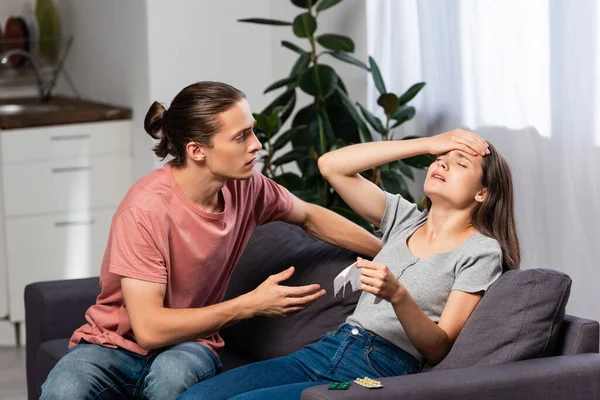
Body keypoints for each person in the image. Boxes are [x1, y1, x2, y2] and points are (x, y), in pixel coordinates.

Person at [40, 81, 382, 400]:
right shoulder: (145, 209)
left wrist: (387, 250)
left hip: (191, 343)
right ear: (197, 150)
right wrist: (250, 304)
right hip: (113, 344)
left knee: (172, 375)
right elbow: (148, 329)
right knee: (63, 388)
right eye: (241, 136)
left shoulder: (247, 186)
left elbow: (309, 216)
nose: (257, 145)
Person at [178, 129, 521, 400]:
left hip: (381, 366)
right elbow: (332, 165)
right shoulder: (405, 220)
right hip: (330, 346)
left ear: (483, 194)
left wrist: (398, 296)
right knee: (196, 396)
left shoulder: (481, 251)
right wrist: (430, 143)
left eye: (460, 163)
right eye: (440, 158)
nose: (442, 163)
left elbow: (439, 345)